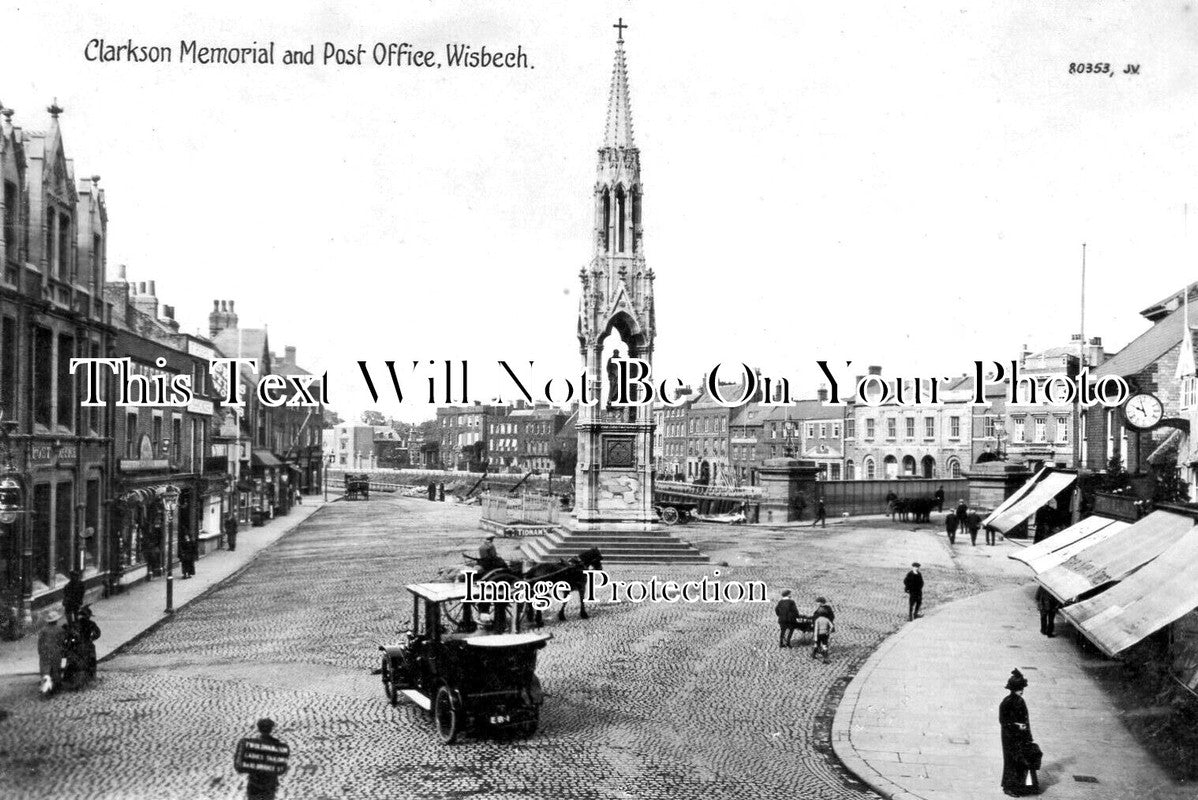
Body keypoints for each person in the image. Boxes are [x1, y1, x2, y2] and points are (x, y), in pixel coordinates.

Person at [999, 669, 1039, 796]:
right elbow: (1003, 721)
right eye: (1019, 689)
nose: (1021, 691)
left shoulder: (1021, 701)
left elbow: (1026, 720)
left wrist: (1028, 734)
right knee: (1011, 761)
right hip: (1010, 737)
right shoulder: (1007, 702)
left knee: (1021, 761)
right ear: (1013, 689)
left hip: (1021, 736)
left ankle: (1020, 785)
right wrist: (1017, 726)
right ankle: (1009, 787)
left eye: (1022, 688)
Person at [236, 718, 290, 800]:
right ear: (271, 729)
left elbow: (240, 766)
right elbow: (281, 769)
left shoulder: (251, 745)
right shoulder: (279, 747)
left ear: (259, 729)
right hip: (270, 784)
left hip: (254, 783)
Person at [37, 611, 67, 696]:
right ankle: (56, 688)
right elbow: (62, 641)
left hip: (45, 653)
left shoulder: (43, 630)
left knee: (45, 671)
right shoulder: (60, 629)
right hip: (56, 652)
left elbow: (40, 642)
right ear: (56, 620)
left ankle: (45, 689)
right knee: (56, 670)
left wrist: (40, 652)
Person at [77, 605, 102, 679]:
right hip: (87, 643)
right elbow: (98, 633)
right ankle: (92, 676)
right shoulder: (91, 623)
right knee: (92, 660)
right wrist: (92, 638)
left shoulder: (77, 623)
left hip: (78, 644)